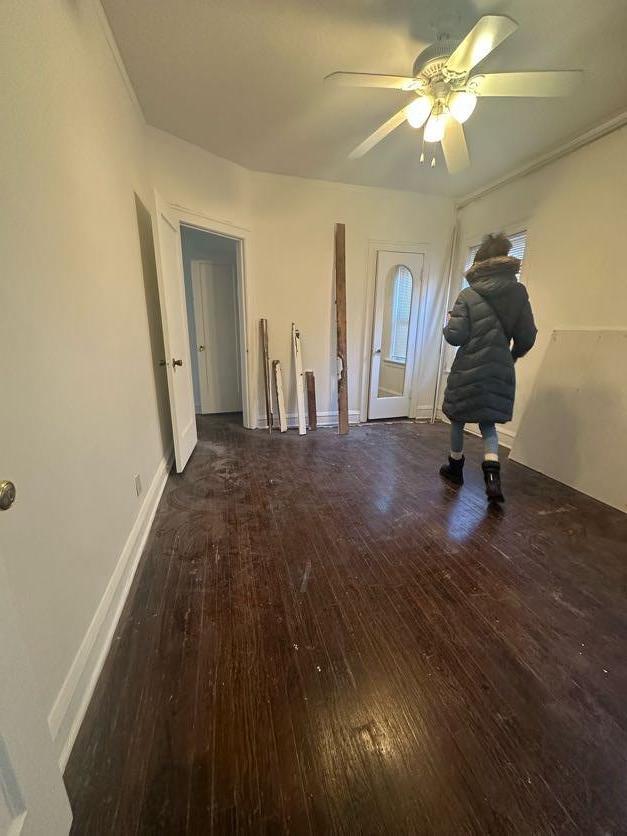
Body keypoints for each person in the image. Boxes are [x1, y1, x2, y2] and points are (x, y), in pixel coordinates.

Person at [440, 232, 537, 502]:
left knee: (458, 418)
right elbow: (528, 336)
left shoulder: (468, 295)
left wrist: (447, 325)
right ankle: (493, 478)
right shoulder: (518, 293)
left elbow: (456, 336)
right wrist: (512, 356)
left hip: (469, 367)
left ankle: (455, 468)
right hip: (499, 369)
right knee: (489, 423)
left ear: (479, 262)